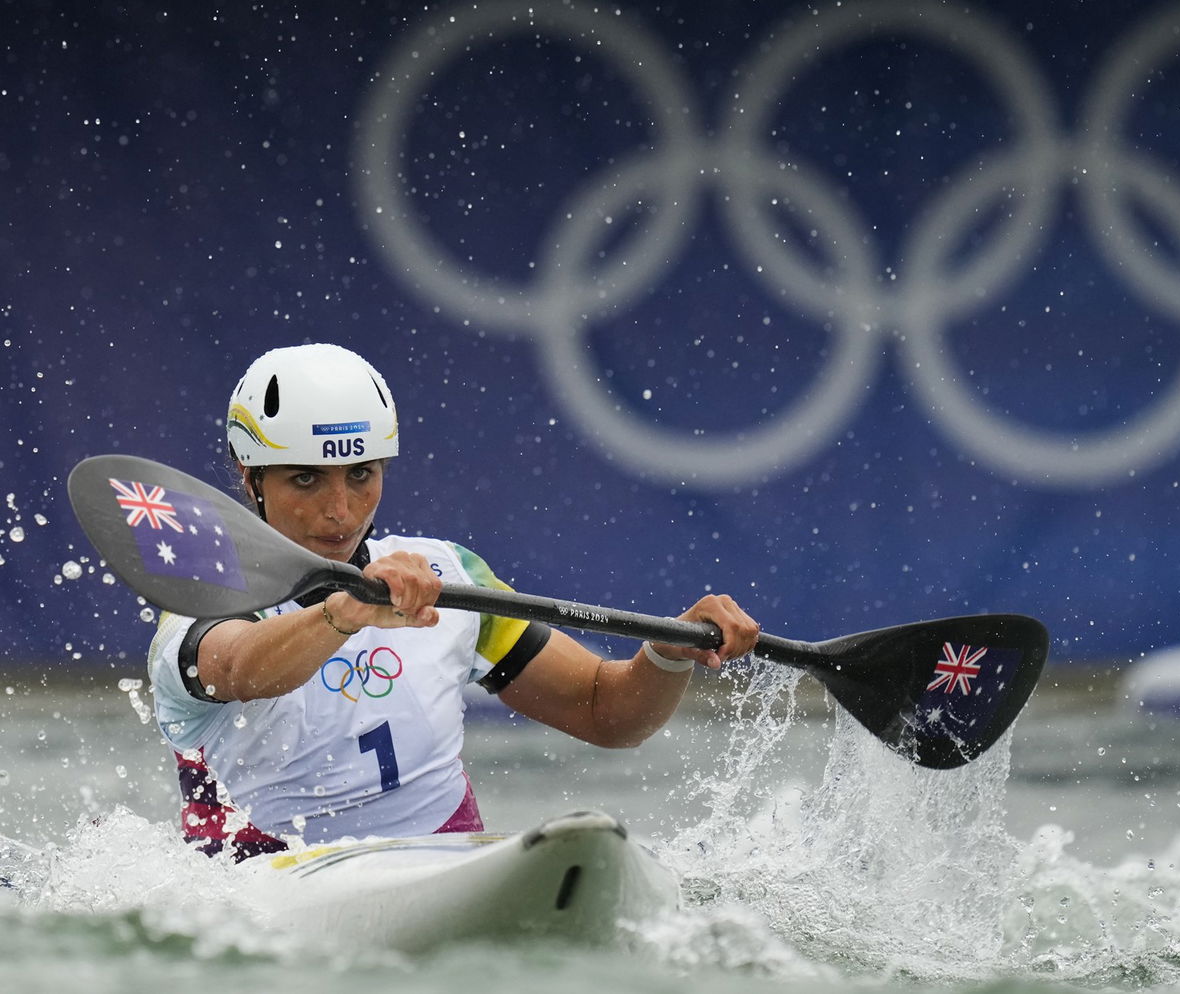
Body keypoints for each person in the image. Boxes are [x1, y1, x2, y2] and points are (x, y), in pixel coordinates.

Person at [146, 343, 760, 859]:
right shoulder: (205, 598)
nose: (339, 508)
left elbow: (607, 713)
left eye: (362, 474)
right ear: (252, 478)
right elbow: (240, 668)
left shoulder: (444, 572)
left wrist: (667, 655)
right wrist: (343, 613)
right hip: (260, 883)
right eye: (305, 478)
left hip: (442, 861)